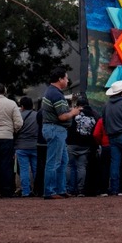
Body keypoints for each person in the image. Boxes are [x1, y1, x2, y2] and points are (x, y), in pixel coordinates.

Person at [40, 71, 80, 199]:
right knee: (54, 162)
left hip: (55, 129)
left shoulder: (51, 92)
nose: (67, 81)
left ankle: (60, 189)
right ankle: (50, 191)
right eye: (66, 78)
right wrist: (73, 112)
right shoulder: (56, 94)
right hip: (55, 129)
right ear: (60, 79)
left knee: (63, 161)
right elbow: (62, 116)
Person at [66, 94, 98, 196]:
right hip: (86, 145)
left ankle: (70, 189)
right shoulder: (94, 114)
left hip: (71, 143)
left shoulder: (73, 113)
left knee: (69, 166)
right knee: (81, 167)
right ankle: (81, 190)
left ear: (78, 104)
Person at [15, 96, 39, 196]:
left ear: (22, 106)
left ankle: (25, 191)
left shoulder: (18, 116)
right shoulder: (37, 115)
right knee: (36, 169)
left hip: (21, 146)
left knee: (24, 169)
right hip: (35, 145)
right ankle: (37, 190)